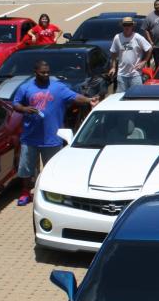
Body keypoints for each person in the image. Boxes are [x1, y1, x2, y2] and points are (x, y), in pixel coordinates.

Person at [11, 59, 98, 206]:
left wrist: (89, 100)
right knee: (26, 168)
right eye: (42, 72)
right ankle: (26, 193)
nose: (46, 75)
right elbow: (15, 103)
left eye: (47, 72)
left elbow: (75, 96)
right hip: (30, 137)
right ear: (35, 73)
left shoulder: (58, 87)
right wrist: (24, 109)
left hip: (52, 138)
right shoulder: (25, 87)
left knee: (52, 169)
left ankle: (52, 194)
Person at [108, 17, 152, 93]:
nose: (127, 27)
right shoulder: (117, 37)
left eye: (129, 25)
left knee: (136, 98)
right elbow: (113, 52)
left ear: (132, 26)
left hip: (136, 75)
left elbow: (149, 48)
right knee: (121, 97)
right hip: (121, 75)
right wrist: (113, 67)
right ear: (122, 26)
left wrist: (144, 61)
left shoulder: (138, 37)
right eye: (125, 25)